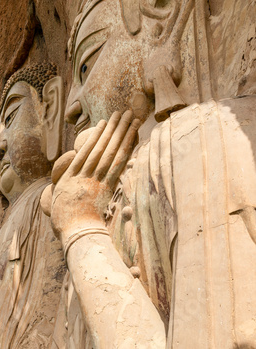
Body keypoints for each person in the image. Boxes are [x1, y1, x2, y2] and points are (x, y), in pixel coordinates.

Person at [42, 0, 256, 347]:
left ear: (162, 25)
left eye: (85, 67)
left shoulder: (202, 142)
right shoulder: (112, 198)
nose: (72, 107)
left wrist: (80, 228)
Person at [0, 63, 67, 348]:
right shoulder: (7, 226)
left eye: (11, 118)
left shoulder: (49, 200)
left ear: (49, 112)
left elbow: (51, 308)